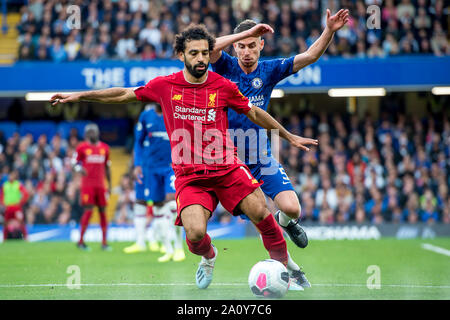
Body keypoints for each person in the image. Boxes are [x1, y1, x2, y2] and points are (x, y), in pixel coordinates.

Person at [50, 24, 318, 290]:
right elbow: (124, 93)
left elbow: (255, 113)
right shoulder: (166, 86)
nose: (201, 59)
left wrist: (288, 136)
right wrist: (79, 96)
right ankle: (209, 255)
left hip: (228, 169)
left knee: (263, 213)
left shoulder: (223, 85)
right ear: (182, 55)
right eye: (194, 53)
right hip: (191, 177)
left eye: (204, 53)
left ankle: (285, 272)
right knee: (195, 235)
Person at [209, 8, 349, 287]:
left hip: (261, 155)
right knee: (261, 217)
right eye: (241, 46)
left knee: (291, 209)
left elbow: (309, 57)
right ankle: (292, 270)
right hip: (232, 161)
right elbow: (210, 47)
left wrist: (329, 31)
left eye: (252, 45)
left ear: (262, 45)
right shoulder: (224, 66)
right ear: (235, 45)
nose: (246, 51)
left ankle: (286, 223)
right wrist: (244, 32)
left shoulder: (270, 70)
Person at [124, 103, 186, 263]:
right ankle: (168, 249)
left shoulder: (174, 112)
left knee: (173, 203)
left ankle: (179, 247)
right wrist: (137, 164)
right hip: (151, 168)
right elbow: (138, 142)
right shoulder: (146, 116)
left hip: (170, 166)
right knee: (158, 207)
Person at [73, 124, 112, 251]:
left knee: (103, 211)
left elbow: (107, 167)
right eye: (89, 132)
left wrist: (110, 184)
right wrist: (80, 169)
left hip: (101, 185)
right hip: (88, 185)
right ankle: (81, 241)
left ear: (98, 133)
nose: (91, 134)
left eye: (93, 132)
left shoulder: (105, 148)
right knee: (88, 211)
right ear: (86, 134)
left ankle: (104, 242)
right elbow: (74, 163)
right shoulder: (81, 147)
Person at [0, 169, 29, 240]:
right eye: (10, 175)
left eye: (13, 175)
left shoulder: (18, 184)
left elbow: (26, 194)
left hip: (16, 208)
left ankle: (26, 238)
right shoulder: (5, 185)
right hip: (8, 208)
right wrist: (3, 204)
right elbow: (1, 196)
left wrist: (21, 203)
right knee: (6, 223)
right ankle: (4, 238)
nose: (11, 177)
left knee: (21, 222)